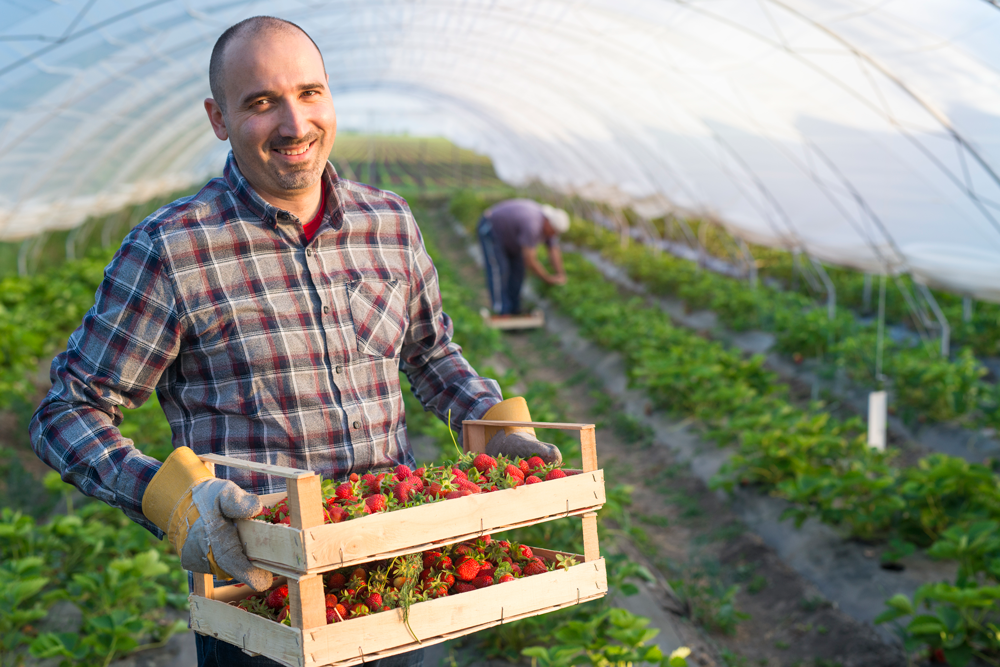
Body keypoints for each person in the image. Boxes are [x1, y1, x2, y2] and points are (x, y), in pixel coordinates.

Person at [29, 16, 560, 667]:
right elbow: (69, 409)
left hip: (395, 579)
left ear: (329, 96)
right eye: (260, 102)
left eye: (309, 92)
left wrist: (490, 419)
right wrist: (169, 499)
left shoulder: (388, 223)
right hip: (261, 603)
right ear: (218, 118)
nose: (293, 122)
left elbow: (429, 353)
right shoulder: (173, 248)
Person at [477, 199, 570, 316]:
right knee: (499, 269)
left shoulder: (548, 228)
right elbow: (530, 261)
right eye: (554, 231)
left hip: (512, 238)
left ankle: (514, 308)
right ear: (548, 223)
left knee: (518, 271)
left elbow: (553, 250)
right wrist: (547, 279)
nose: (554, 235)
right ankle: (501, 310)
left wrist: (560, 274)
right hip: (492, 229)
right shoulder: (532, 225)